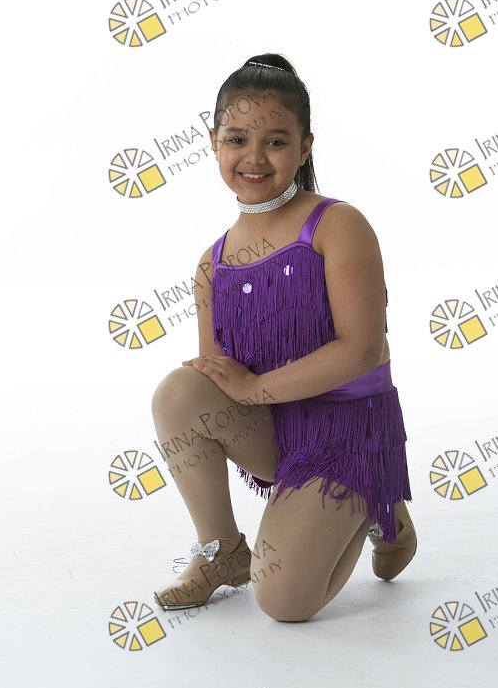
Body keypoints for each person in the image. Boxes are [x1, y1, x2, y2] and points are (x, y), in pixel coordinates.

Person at [150, 52, 415, 622]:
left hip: (349, 431)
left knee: (283, 603)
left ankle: (376, 492)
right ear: (213, 143)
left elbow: (363, 349)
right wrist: (240, 392)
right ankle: (222, 550)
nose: (253, 156)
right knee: (179, 391)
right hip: (277, 432)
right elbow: (218, 378)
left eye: (275, 141)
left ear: (305, 147)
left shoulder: (337, 225)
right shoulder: (212, 264)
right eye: (236, 139)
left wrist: (253, 389)